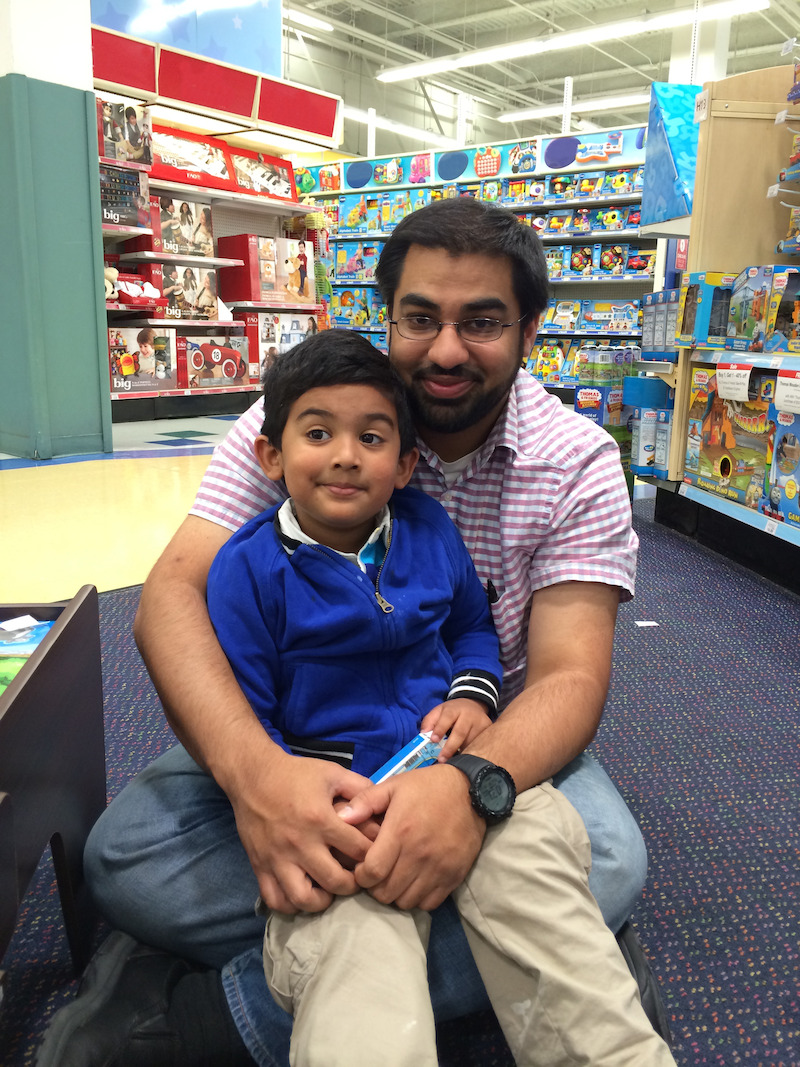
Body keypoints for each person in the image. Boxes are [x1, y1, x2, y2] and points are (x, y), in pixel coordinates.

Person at [39, 197, 658, 1066]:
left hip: (481, 744)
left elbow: (565, 679)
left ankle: (222, 1012)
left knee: (613, 861)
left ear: (530, 329)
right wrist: (261, 781)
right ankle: (537, 953)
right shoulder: (304, 410)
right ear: (388, 316)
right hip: (307, 738)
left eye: (481, 321)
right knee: (123, 857)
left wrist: (468, 791)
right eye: (419, 318)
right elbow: (172, 597)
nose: (444, 350)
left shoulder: (579, 461)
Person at [206, 330, 673, 1066]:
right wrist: (279, 786)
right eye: (318, 434)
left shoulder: (430, 528)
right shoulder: (247, 570)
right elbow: (244, 702)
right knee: (355, 945)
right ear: (270, 456)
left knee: (546, 873)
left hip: (464, 761)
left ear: (406, 465)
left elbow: (470, 627)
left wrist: (475, 699)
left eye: (372, 437)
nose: (345, 455)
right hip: (345, 802)